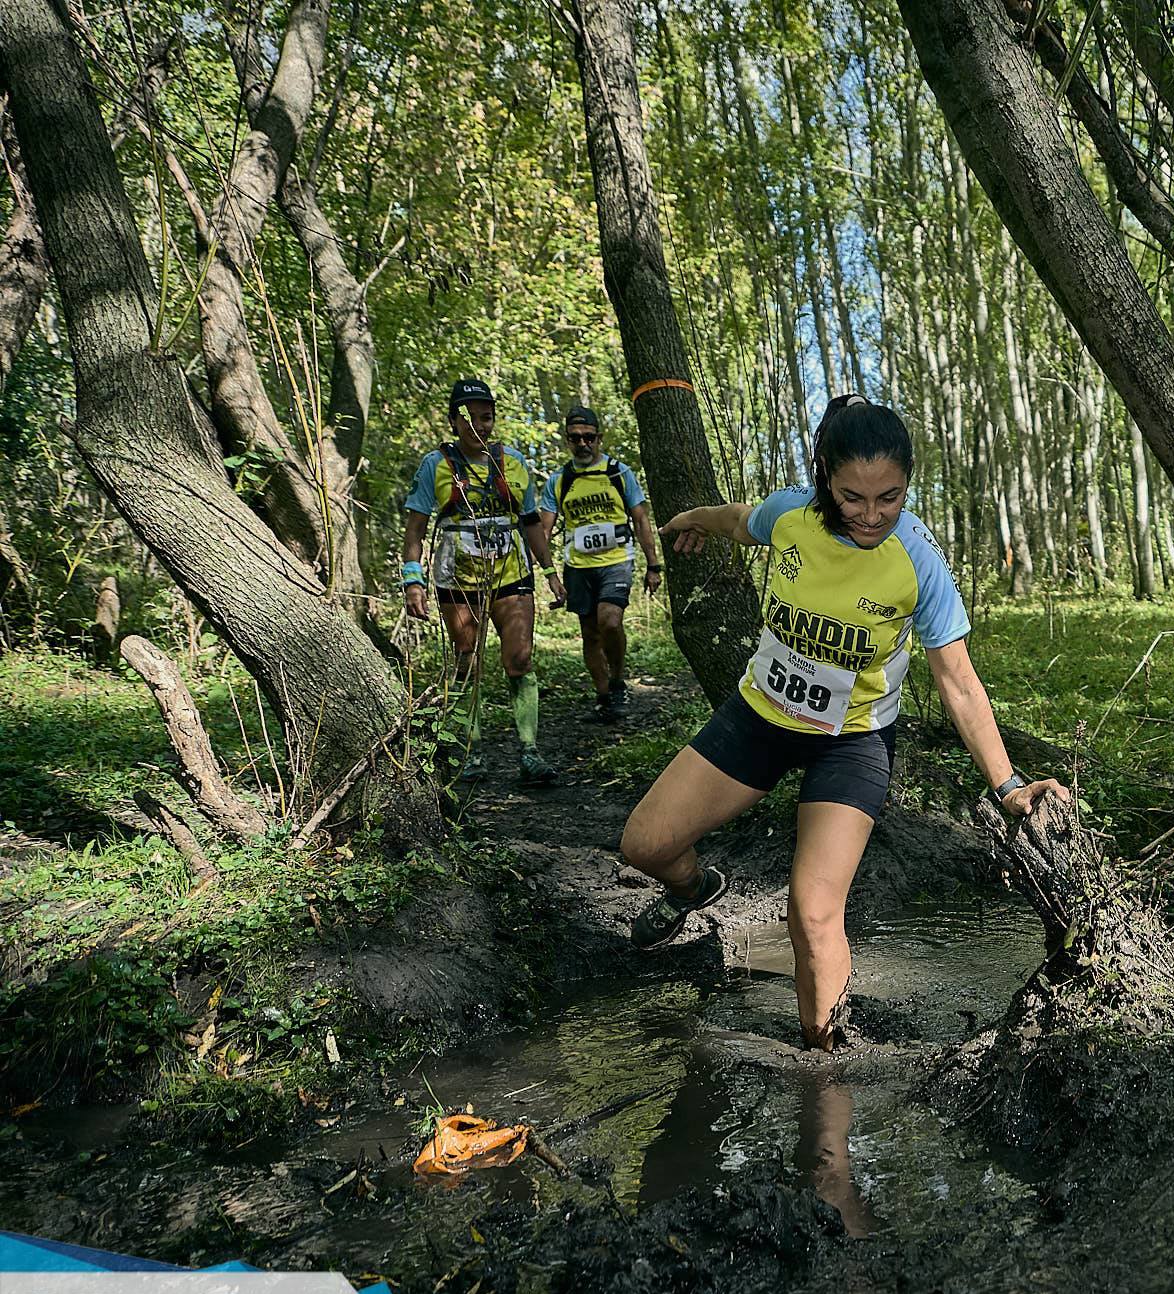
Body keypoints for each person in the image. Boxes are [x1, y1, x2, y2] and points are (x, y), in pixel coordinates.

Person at [620, 395, 1068, 1051]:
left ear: (908, 483)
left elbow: (959, 680)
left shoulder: (917, 559)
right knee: (643, 844)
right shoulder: (793, 515)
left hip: (851, 742)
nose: (870, 514)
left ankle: (824, 1063)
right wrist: (695, 520)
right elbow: (741, 518)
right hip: (760, 718)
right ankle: (694, 889)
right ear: (826, 477)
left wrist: (1008, 787)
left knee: (813, 909)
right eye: (853, 496)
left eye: (889, 496)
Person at [401, 378, 562, 785]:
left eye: (486, 417)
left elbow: (530, 523)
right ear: (455, 421)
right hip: (457, 577)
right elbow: (416, 529)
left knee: (520, 658)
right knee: (466, 658)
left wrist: (549, 572)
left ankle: (529, 750)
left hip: (511, 573)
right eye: (469, 417)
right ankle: (468, 750)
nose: (478, 425)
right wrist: (412, 581)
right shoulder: (434, 464)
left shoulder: (514, 463)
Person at [537, 407, 663, 721]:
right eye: (575, 438)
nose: (583, 444)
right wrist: (547, 572)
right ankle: (604, 697)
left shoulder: (619, 473)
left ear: (599, 439)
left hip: (617, 560)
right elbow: (543, 530)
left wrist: (653, 565)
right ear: (567, 441)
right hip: (578, 566)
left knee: (610, 621)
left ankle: (618, 679)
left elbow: (641, 519)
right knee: (590, 633)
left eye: (589, 437)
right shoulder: (559, 481)